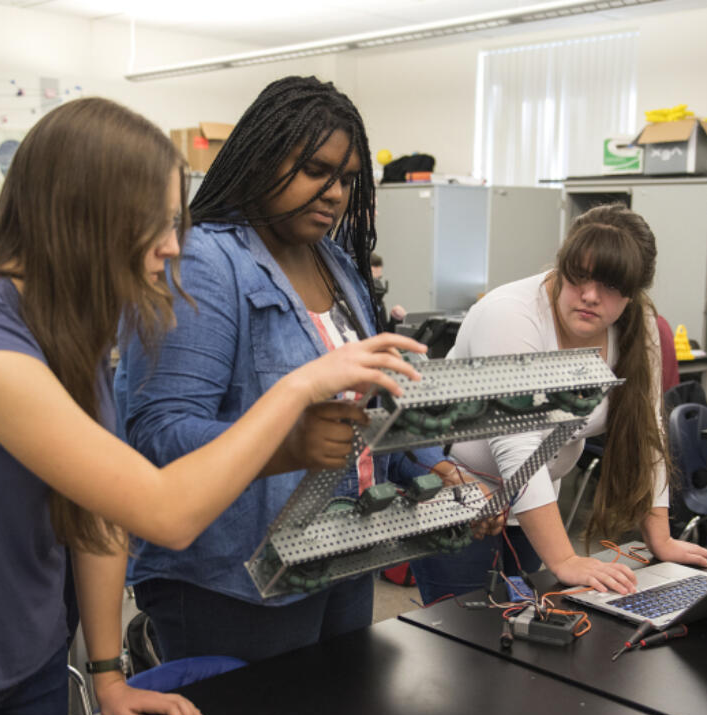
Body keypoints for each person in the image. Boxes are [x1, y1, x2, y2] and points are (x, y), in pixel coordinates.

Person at [0, 96, 426, 715]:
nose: (173, 246)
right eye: (161, 223)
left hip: (26, 662)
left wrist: (107, 672)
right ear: (87, 211)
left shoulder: (68, 329)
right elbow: (161, 511)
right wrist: (295, 390)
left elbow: (99, 514)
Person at [115, 76, 466, 664]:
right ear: (259, 160)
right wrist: (287, 439)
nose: (333, 193)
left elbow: (362, 417)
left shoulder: (336, 264)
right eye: (313, 169)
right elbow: (160, 436)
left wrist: (435, 463)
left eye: (347, 179)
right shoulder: (204, 262)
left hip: (344, 551)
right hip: (232, 579)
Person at [410, 203, 707, 604]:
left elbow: (647, 430)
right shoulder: (511, 315)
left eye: (611, 286)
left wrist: (660, 537)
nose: (590, 297)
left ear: (632, 293)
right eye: (578, 276)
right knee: (460, 630)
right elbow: (517, 444)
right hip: (457, 491)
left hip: (534, 499)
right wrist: (564, 559)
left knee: (522, 620)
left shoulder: (636, 322)